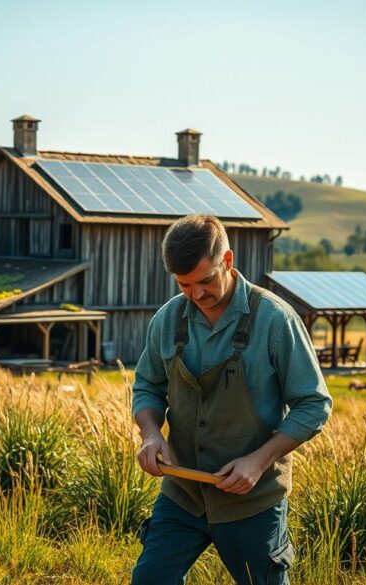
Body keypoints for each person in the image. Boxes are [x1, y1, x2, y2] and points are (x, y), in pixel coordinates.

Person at [131, 214, 333, 585]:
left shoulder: (275, 319)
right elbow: (147, 385)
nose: (196, 295)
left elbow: (314, 404)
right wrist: (150, 433)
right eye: (184, 284)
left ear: (228, 261)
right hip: (183, 495)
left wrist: (258, 461)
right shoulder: (167, 318)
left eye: (205, 281)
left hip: (252, 502)